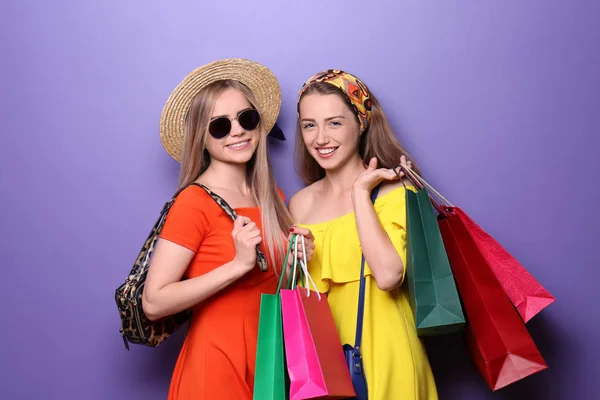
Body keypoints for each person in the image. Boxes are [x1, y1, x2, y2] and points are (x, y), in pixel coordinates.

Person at [141, 58, 314, 400]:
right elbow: (154, 301)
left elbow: (269, 286)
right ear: (201, 138)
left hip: (270, 361)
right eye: (219, 126)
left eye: (246, 118)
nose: (237, 131)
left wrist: (296, 261)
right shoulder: (194, 201)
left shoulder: (272, 197)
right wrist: (237, 266)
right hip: (216, 362)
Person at [288, 69, 438, 399]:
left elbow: (388, 275)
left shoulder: (395, 191)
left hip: (389, 353)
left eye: (335, 122)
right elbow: (296, 303)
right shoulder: (299, 204)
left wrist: (360, 193)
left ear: (361, 122)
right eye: (309, 125)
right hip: (323, 366)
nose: (320, 138)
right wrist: (296, 261)